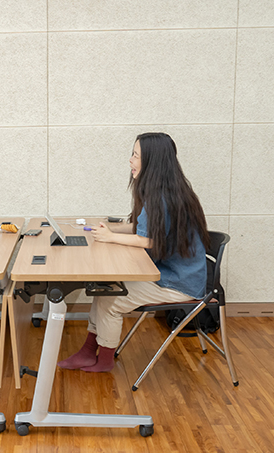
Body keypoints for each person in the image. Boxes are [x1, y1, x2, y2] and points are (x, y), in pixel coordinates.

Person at [58, 132, 210, 373]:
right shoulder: (166, 191)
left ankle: (104, 361)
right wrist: (112, 229)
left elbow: (150, 240)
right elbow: (146, 228)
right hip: (171, 273)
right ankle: (87, 352)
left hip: (177, 283)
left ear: (152, 161)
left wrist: (110, 237)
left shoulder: (161, 198)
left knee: (111, 300)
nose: (130, 160)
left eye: (136, 155)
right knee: (103, 289)